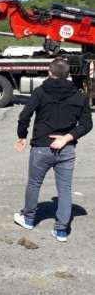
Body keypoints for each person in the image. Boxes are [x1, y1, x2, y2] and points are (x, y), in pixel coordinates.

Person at [13, 58, 92, 242]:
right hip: (67, 148)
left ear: (50, 73)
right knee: (64, 188)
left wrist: (22, 135)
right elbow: (87, 124)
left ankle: (29, 218)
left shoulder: (40, 92)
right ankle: (61, 230)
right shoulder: (79, 95)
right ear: (68, 74)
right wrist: (67, 137)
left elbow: (24, 116)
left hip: (41, 146)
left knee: (34, 184)